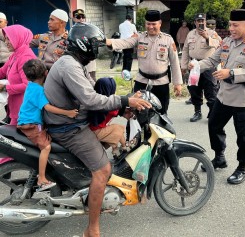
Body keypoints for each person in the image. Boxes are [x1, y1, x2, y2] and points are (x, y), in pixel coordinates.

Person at [43, 22, 151, 237]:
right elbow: (91, 100)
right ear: (85, 45)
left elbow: (90, 97)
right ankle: (92, 230)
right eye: (95, 45)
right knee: (103, 170)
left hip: (71, 121)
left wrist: (122, 108)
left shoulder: (74, 62)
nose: (97, 49)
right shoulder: (69, 66)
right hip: (69, 128)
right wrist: (124, 100)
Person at [190, 9, 245, 184]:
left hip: (243, 99)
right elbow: (211, 60)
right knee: (214, 125)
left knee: (244, 136)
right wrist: (196, 65)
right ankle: (219, 157)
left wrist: (230, 73)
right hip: (224, 96)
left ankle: (242, 168)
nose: (231, 28)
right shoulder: (227, 42)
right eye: (230, 24)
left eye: (235, 25)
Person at [17, 59, 79, 191]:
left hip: (25, 121)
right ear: (46, 73)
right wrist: (67, 113)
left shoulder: (30, 86)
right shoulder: (39, 91)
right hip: (32, 125)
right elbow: (48, 108)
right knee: (46, 147)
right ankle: (42, 178)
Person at [106, 10, 182, 115]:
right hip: (142, 82)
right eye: (148, 24)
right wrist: (108, 41)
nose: (150, 27)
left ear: (160, 23)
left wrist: (177, 83)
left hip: (161, 83)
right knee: (138, 112)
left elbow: (174, 62)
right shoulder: (139, 37)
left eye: (154, 24)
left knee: (161, 113)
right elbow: (125, 42)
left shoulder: (168, 40)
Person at [181, 13, 221, 122]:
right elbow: (185, 50)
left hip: (208, 66)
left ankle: (212, 113)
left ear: (205, 21)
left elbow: (219, 44)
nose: (200, 23)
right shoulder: (190, 34)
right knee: (194, 90)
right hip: (194, 66)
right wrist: (183, 66)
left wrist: (207, 37)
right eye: (198, 21)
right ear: (195, 22)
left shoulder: (212, 33)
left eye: (202, 20)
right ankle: (197, 112)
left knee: (211, 91)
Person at [88, 77, 135, 156]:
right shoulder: (107, 105)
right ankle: (125, 147)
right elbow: (117, 108)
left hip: (91, 129)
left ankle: (115, 150)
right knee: (118, 128)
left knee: (113, 129)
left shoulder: (95, 99)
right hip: (96, 131)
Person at [0, 25, 36, 125]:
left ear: (18, 38)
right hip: (16, 108)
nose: (6, 43)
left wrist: (5, 88)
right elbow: (2, 71)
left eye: (9, 39)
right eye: (5, 39)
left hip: (24, 111)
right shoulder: (16, 54)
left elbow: (28, 85)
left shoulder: (25, 57)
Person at [72, 8, 96, 81]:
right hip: (77, 62)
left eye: (83, 17)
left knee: (92, 81)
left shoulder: (90, 30)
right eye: (78, 17)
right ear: (73, 19)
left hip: (89, 61)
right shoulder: (71, 32)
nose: (81, 19)